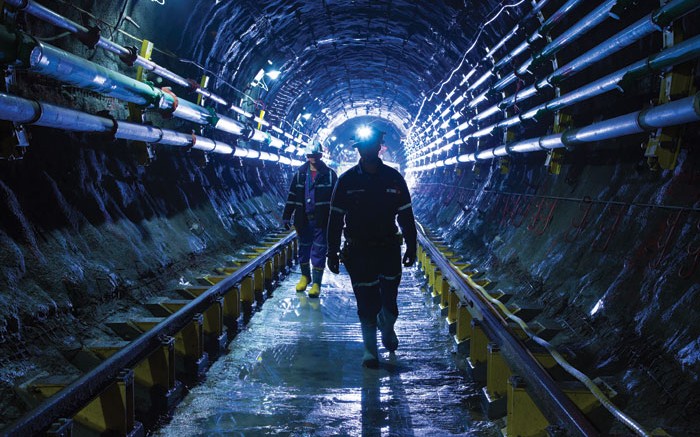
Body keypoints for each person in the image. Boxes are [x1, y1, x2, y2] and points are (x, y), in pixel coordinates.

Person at [326, 127, 417, 368]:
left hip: (387, 248)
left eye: (372, 146)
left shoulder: (394, 179)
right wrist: (332, 251)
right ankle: (370, 350)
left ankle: (387, 327)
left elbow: (406, 216)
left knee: (390, 299)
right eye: (363, 147)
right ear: (358, 149)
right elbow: (335, 219)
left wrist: (412, 246)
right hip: (359, 251)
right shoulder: (347, 181)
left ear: (379, 148)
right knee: (365, 301)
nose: (368, 151)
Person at [282, 140, 338, 298]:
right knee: (304, 249)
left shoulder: (329, 175)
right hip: (303, 219)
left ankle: (316, 284)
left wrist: (339, 220)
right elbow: (292, 196)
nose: (313, 158)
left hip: (321, 220)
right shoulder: (300, 174)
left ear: (320, 155)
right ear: (307, 156)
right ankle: (305, 277)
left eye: (315, 155)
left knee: (319, 250)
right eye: (310, 155)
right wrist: (287, 216)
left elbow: (337, 199)